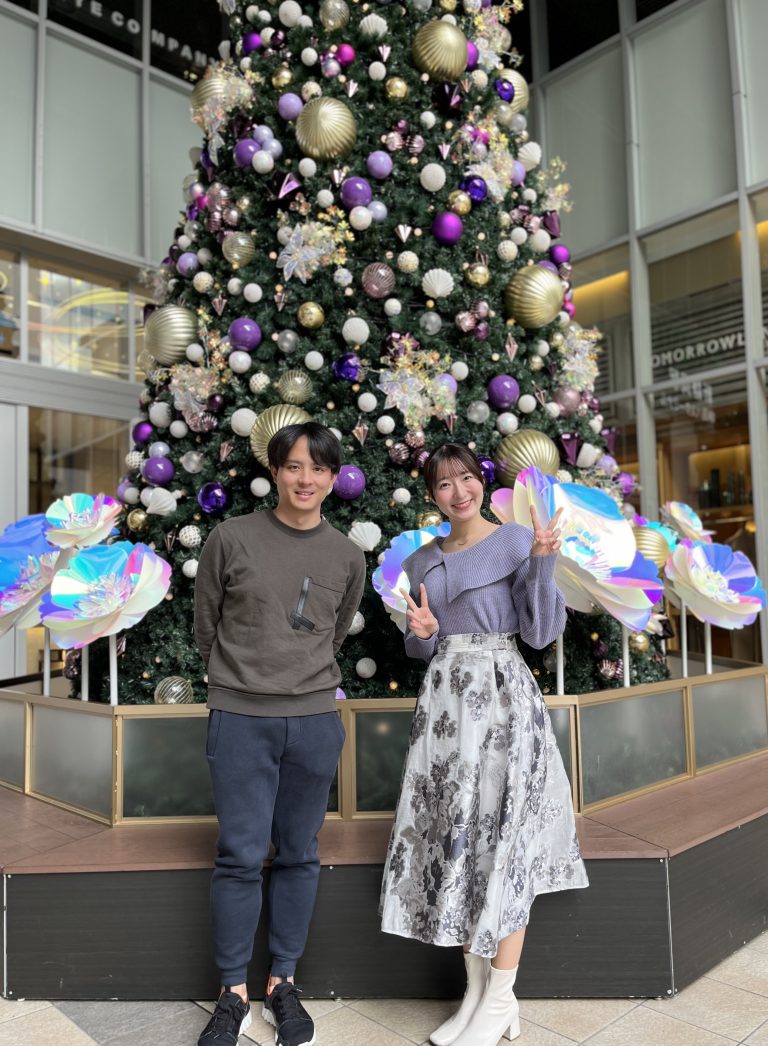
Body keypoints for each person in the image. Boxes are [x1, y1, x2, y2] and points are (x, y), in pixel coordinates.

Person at [380, 442, 588, 1046]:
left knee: (505, 841)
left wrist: (543, 563)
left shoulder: (518, 541)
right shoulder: (421, 561)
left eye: (467, 478)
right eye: (445, 484)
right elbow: (421, 645)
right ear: (432, 495)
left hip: (502, 701)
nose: (460, 492)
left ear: (481, 481)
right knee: (460, 842)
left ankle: (499, 1000)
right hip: (446, 709)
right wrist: (422, 634)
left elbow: (541, 633)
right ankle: (476, 996)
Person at [194, 422, 366, 1046]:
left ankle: (282, 982)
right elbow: (206, 625)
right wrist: (244, 681)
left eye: (317, 468)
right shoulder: (230, 538)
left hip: (314, 723)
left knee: (298, 853)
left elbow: (335, 631)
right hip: (240, 719)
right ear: (274, 472)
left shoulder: (347, 555)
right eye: (293, 466)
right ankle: (232, 993)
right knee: (240, 856)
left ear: (333, 478)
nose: (305, 479)